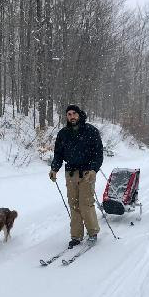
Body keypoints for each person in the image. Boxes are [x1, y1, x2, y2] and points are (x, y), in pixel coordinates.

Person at [49, 104, 103, 248]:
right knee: (74, 205)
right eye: (69, 114)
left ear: (79, 114)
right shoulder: (63, 133)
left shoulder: (91, 131)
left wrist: (94, 170)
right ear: (66, 117)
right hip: (71, 173)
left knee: (86, 204)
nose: (72, 116)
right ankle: (76, 236)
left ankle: (92, 233)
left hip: (87, 173)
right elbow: (58, 154)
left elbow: (98, 153)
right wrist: (54, 168)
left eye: (74, 113)